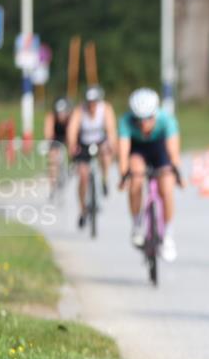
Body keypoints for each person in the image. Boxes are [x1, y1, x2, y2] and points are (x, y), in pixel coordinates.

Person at [117, 88, 182, 262]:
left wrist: (175, 172)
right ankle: (137, 224)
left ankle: (168, 235)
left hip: (159, 149)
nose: (143, 123)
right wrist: (124, 176)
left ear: (155, 114)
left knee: (166, 188)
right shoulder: (125, 121)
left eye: (148, 118)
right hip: (138, 151)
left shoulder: (166, 120)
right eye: (139, 120)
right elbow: (123, 153)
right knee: (136, 178)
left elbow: (173, 152)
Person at [66, 85, 117, 229]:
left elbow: (111, 129)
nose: (92, 105)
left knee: (106, 156)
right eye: (89, 102)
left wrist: (111, 144)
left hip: (100, 142)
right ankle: (82, 210)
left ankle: (105, 179)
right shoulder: (79, 110)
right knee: (83, 175)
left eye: (94, 102)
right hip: (83, 145)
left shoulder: (105, 109)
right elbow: (72, 130)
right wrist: (72, 146)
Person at [43, 96, 72, 195]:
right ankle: (53, 186)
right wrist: (50, 143)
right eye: (59, 113)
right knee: (52, 160)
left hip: (68, 137)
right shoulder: (51, 117)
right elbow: (48, 133)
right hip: (55, 138)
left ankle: (71, 166)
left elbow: (72, 133)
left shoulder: (71, 118)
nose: (61, 115)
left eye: (63, 112)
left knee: (72, 148)